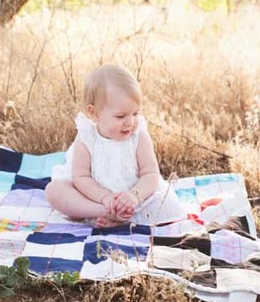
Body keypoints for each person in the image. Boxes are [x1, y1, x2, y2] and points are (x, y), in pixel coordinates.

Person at [46, 64, 185, 228]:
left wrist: (134, 196)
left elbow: (150, 173)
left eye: (135, 113)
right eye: (121, 116)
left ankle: (123, 217)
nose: (130, 122)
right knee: (54, 190)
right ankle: (103, 212)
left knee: (164, 202)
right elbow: (81, 177)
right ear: (94, 113)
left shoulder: (138, 136)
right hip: (94, 197)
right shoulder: (87, 137)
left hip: (134, 198)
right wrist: (104, 199)